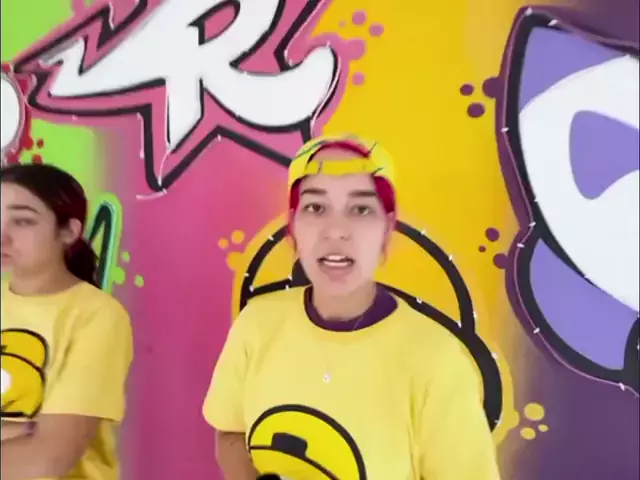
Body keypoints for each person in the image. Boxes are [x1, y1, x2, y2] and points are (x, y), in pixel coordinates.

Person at [202, 134, 500, 479]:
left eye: (360, 209)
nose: (336, 231)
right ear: (293, 226)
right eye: (316, 208)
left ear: (387, 229)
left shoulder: (439, 360)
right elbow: (230, 433)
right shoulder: (257, 323)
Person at [0, 163, 133, 480]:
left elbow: (45, 463)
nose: (2, 236)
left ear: (69, 232)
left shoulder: (97, 315)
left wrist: (24, 436)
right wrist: (19, 431)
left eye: (23, 221)